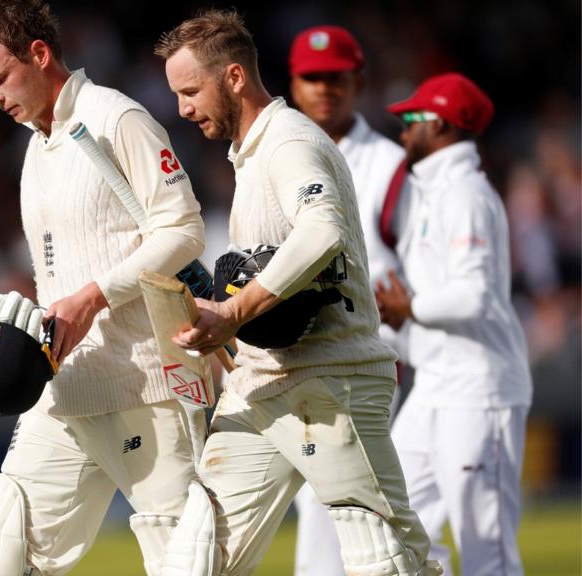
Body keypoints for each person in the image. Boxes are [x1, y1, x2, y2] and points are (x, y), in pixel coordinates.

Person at [154, 10, 439, 575]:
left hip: (332, 379)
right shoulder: (252, 153)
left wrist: (232, 310)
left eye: (191, 90)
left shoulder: (288, 141)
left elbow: (324, 230)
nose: (183, 108)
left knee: (385, 561)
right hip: (260, 383)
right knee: (194, 559)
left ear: (234, 77)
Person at [0, 1, 207, 574]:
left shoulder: (116, 118)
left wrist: (93, 296)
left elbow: (184, 228)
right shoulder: (34, 142)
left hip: (146, 382)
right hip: (62, 388)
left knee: (185, 563)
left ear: (39, 55)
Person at [376, 73, 532, 576]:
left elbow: (477, 296)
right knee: (399, 519)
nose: (402, 133)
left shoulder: (466, 193)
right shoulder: (436, 192)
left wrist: (409, 307)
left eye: (409, 121)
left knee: (487, 547)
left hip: (478, 390)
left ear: (438, 123)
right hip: (437, 386)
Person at [285, 25, 410, 576]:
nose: (325, 88)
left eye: (335, 77)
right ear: (293, 83)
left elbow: (418, 261)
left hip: (372, 354)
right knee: (336, 501)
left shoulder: (390, 164)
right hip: (296, 355)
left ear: (358, 81)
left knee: (334, 499)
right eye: (313, 78)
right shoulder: (277, 154)